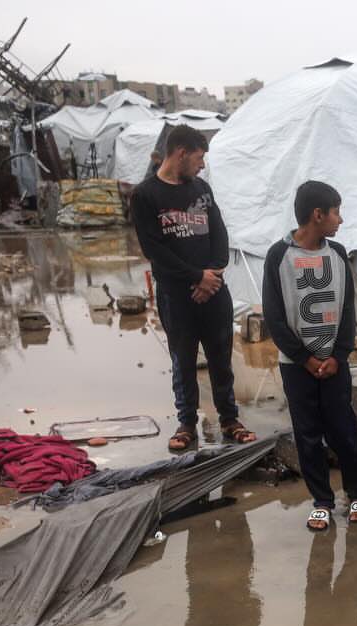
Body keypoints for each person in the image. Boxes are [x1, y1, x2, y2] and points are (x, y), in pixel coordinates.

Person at [130, 124, 256, 452]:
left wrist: (211, 275)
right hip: (177, 295)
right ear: (181, 153)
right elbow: (154, 248)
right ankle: (187, 423)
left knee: (220, 356)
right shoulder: (145, 195)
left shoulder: (201, 189)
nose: (202, 165)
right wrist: (195, 277)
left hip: (213, 290)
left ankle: (229, 418)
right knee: (183, 360)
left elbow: (220, 235)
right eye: (199, 158)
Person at [262, 180, 357, 532]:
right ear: (317, 214)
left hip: (335, 364)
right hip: (297, 367)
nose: (340, 220)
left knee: (344, 429)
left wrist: (339, 355)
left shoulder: (337, 255)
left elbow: (348, 308)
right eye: (336, 212)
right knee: (307, 433)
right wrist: (305, 359)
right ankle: (322, 500)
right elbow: (275, 317)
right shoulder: (279, 257)